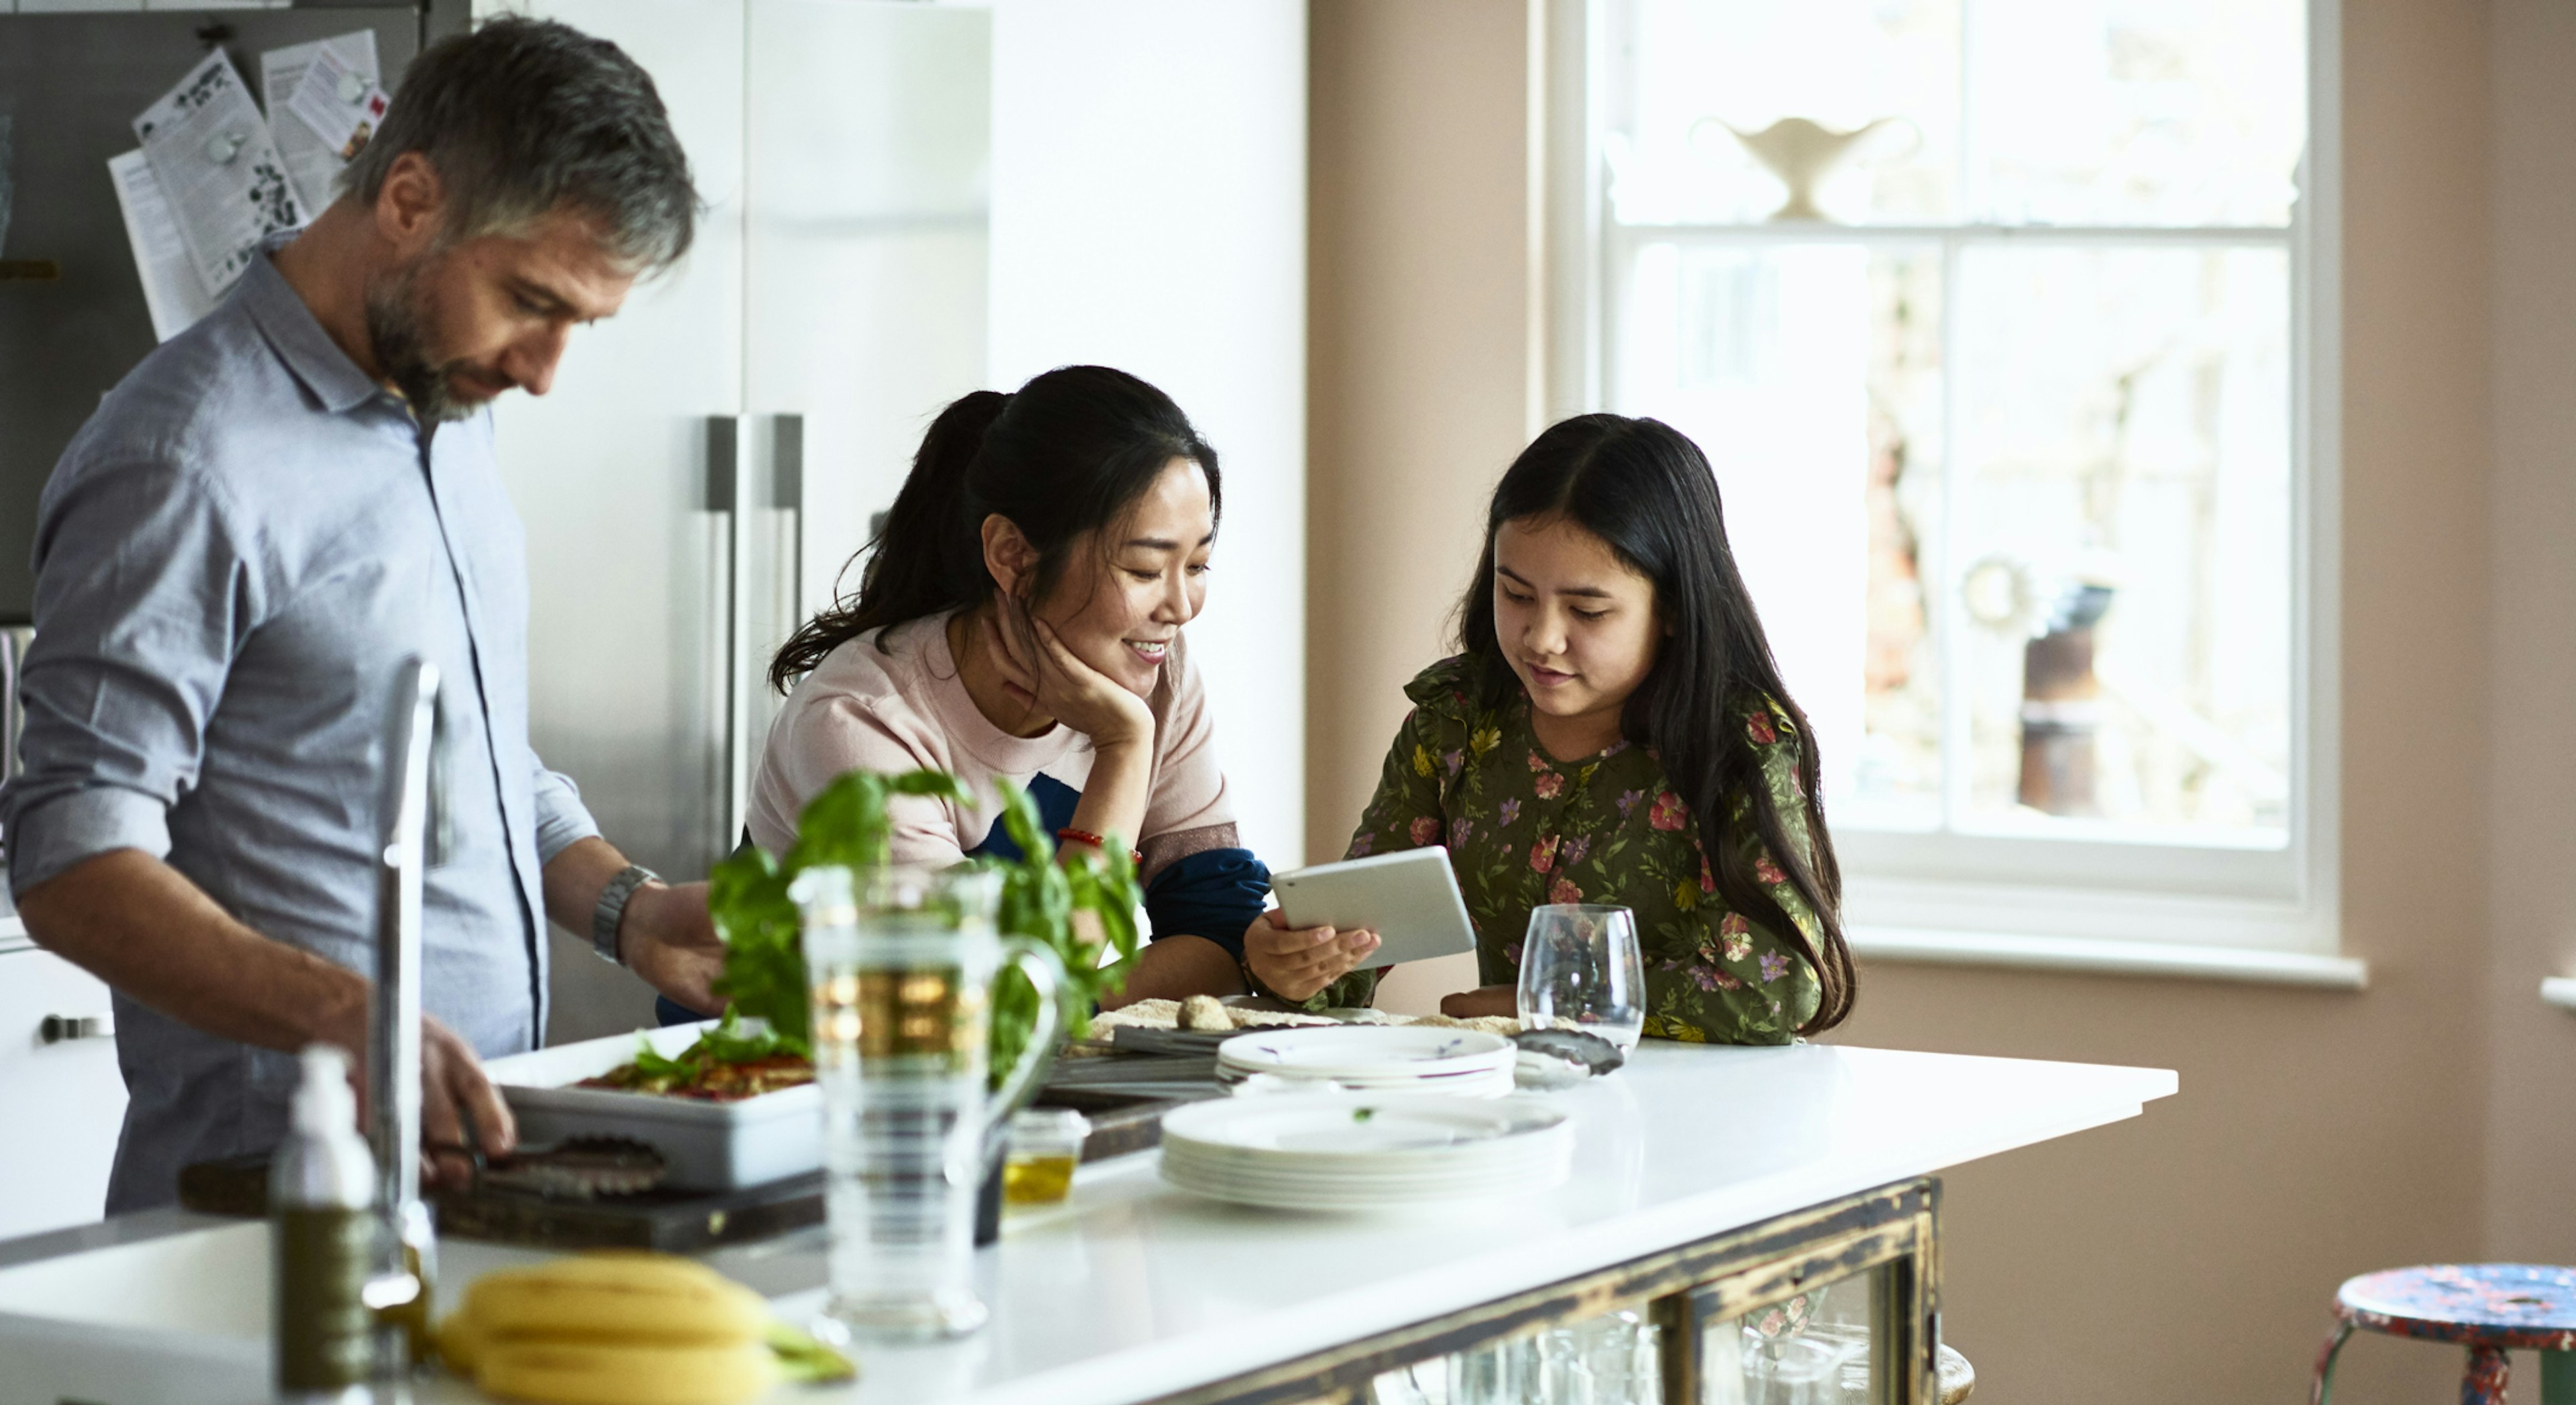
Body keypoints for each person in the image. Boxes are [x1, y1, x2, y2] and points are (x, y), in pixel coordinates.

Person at [0, 19, 722, 1211]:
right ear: (407, 197)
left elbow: (461, 747)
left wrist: (626, 908)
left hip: (468, 1171)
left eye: (579, 325)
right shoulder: (184, 457)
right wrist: (349, 1015)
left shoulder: (448, 405)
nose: (545, 371)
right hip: (268, 1203)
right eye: (531, 302)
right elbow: (74, 855)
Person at [1243, 414, 1856, 1042]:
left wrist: (1541, 1002)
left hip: (1706, 1114)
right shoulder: (1456, 719)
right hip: (1517, 1100)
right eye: (1515, 595)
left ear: (1671, 606)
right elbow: (1359, 944)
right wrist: (1293, 965)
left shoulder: (1739, 742)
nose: (1541, 638)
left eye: (1587, 610)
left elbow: (1777, 988)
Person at [747, 367, 1269, 1000]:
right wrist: (1125, 748)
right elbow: (990, 1000)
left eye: (1197, 565)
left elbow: (1220, 937)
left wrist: (1065, 999)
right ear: (1013, 555)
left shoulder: (1160, 674)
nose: (1181, 606)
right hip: (773, 1080)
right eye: (1143, 568)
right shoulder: (862, 723)